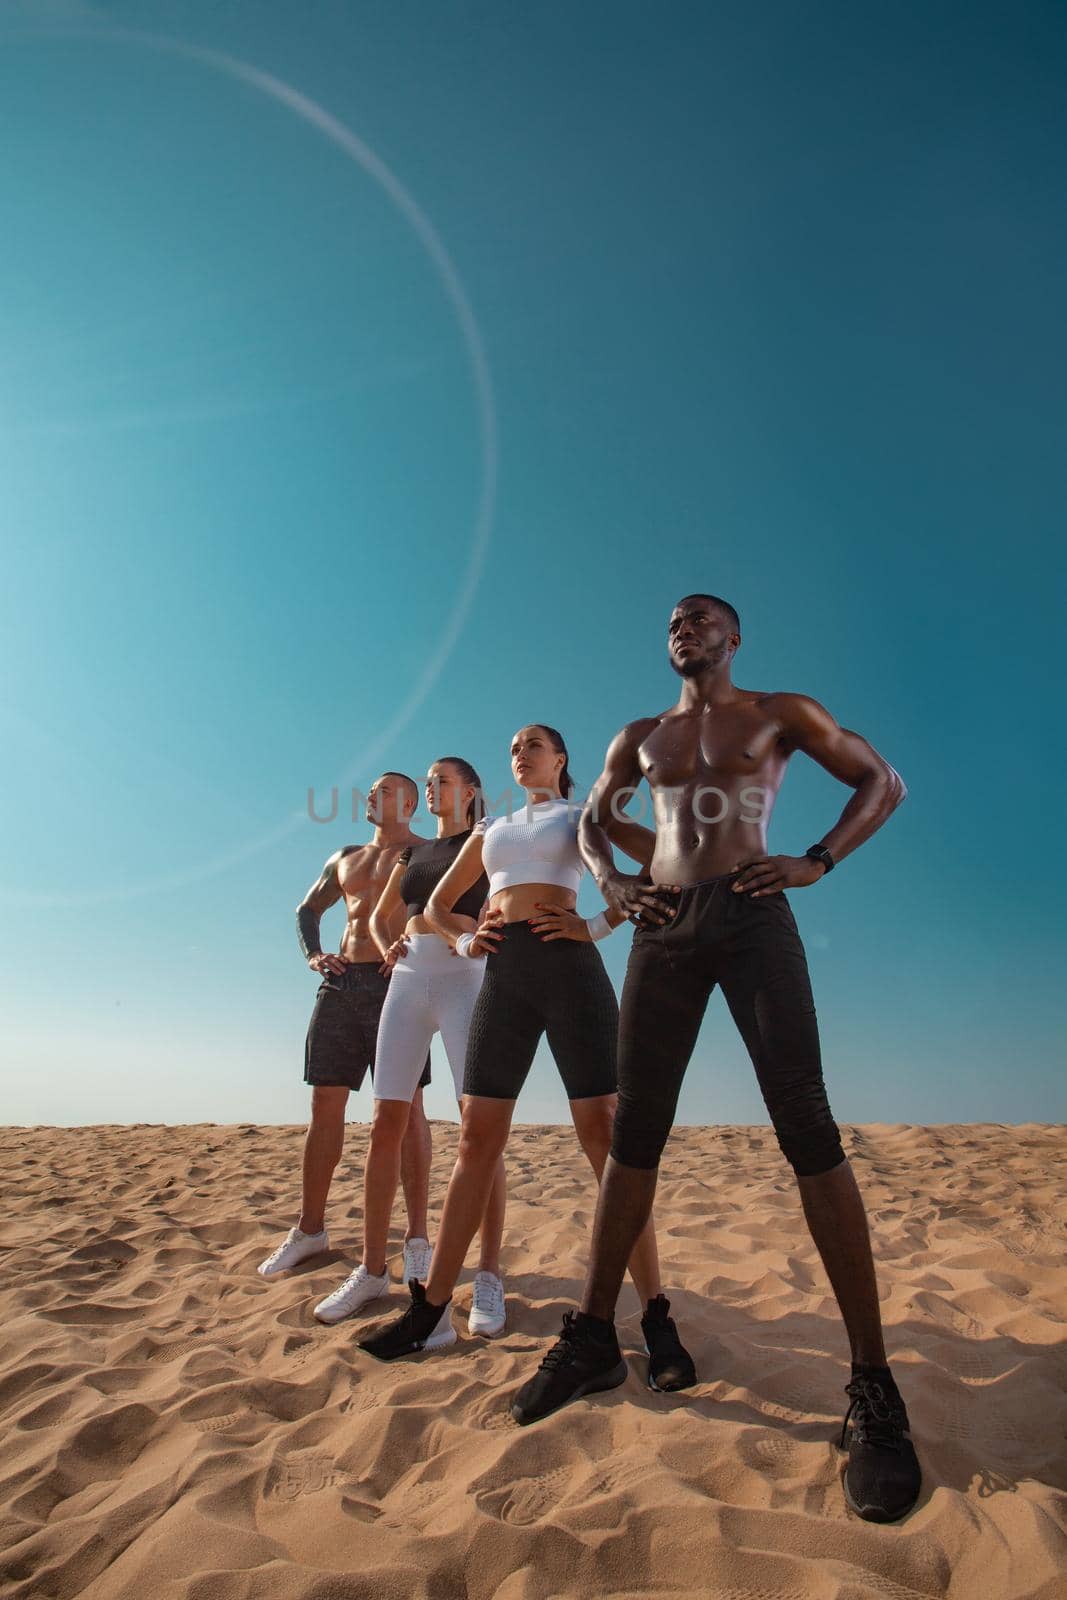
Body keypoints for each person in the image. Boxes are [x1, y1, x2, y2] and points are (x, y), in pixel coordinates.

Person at [510, 596, 921, 1525]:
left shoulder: (780, 713)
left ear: (733, 638)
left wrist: (818, 859)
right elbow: (593, 818)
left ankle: (873, 1388)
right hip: (660, 927)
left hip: (750, 916)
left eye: (699, 620)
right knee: (633, 1139)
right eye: (669, 623)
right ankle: (589, 1339)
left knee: (806, 1129)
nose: (681, 630)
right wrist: (614, 880)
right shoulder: (640, 734)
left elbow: (883, 782)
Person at [357, 724, 697, 1394]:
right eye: (512, 745)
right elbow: (434, 905)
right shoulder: (494, 829)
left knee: (605, 1138)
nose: (520, 752)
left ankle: (656, 1316)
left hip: (571, 969)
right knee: (476, 1139)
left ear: (560, 759)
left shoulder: (583, 815)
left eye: (534, 743)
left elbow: (667, 860)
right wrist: (466, 939)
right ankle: (428, 1312)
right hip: (505, 978)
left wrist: (598, 923)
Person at [312, 756, 510, 1336]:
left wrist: (483, 930)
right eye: (425, 784)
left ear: (471, 791)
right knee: (384, 1122)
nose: (430, 790)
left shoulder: (487, 838)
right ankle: (374, 1270)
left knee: (480, 1128)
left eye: (440, 782)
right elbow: (379, 917)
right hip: (406, 983)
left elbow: (511, 890)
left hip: (465, 981)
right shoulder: (412, 854)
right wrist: (390, 943)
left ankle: (490, 1277)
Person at [257, 772, 434, 1285]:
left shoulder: (427, 853)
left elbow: (451, 908)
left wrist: (420, 956)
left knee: (408, 1110)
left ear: (406, 801)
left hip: (396, 986)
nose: (371, 798)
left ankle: (417, 1237)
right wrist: (313, 954)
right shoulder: (346, 856)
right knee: (324, 1105)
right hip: (340, 986)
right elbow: (307, 908)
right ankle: (310, 1230)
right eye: (371, 792)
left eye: (383, 791)